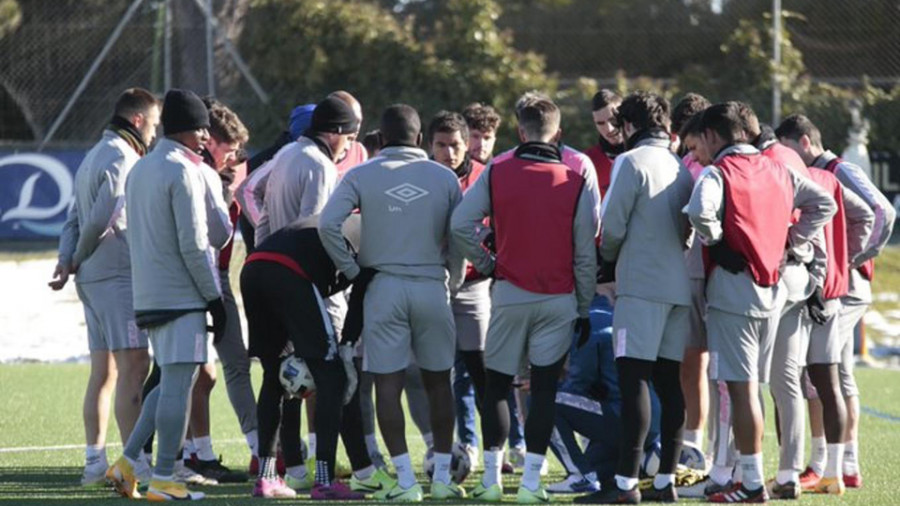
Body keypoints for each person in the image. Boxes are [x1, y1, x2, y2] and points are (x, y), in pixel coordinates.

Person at [686, 103, 835, 503]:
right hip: (772, 291)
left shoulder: (718, 172)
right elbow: (825, 204)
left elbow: (699, 211)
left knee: (739, 389)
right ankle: (753, 476)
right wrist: (788, 242)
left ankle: (750, 483)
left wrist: (716, 240)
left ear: (714, 137)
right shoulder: (779, 169)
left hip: (733, 291)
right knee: (756, 387)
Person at [452, 97, 597, 503]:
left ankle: (491, 482)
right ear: (559, 133)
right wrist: (584, 307)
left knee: (497, 385)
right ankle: (531, 485)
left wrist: (488, 261)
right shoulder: (575, 178)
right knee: (544, 389)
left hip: (511, 293)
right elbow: (586, 252)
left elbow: (461, 223)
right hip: (560, 297)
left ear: (519, 131)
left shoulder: (497, 170)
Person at [320, 104, 467, 501]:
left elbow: (327, 224)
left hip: (382, 287)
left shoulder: (360, 173)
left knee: (387, 383)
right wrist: (453, 278)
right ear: (420, 139)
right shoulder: (444, 177)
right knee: (439, 383)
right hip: (431, 285)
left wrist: (352, 271)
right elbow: (459, 236)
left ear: (381, 140)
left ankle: (404, 483)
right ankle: (440, 479)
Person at [576, 91, 693, 504]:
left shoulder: (629, 161)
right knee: (668, 382)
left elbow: (612, 230)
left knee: (634, 382)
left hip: (640, 287)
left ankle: (626, 484)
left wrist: (605, 260)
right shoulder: (681, 165)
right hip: (678, 286)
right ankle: (665, 481)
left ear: (628, 126)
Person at [106, 89, 222, 501]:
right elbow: (195, 244)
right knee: (178, 386)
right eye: (201, 128)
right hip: (181, 295)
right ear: (185, 130)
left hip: (149, 293)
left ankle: (126, 462)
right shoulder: (184, 171)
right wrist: (214, 298)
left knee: (168, 383)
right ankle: (164, 478)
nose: (207, 135)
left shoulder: (141, 168)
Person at [776, 114, 895, 491]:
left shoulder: (836, 170)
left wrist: (852, 257)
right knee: (838, 374)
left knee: (819, 372)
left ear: (805, 143)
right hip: (841, 282)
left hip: (843, 285)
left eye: (789, 149)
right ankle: (844, 465)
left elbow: (881, 212)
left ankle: (823, 463)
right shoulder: (821, 172)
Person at [51, 87, 159, 487]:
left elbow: (73, 215)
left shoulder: (94, 154)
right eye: (154, 124)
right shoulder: (122, 156)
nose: (154, 132)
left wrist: (67, 259)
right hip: (115, 275)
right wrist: (75, 255)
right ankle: (134, 466)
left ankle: (94, 463)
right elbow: (102, 214)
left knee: (104, 371)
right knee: (134, 365)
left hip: (92, 277)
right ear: (137, 120)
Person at [241, 214, 368, 500]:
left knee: (274, 376)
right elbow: (360, 290)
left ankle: (266, 477)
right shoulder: (374, 232)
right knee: (332, 377)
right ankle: (324, 480)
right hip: (288, 271)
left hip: (253, 268)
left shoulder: (345, 220)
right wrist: (346, 344)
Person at [180, 99, 254, 483]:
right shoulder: (193, 174)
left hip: (218, 278)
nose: (235, 158)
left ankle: (258, 450)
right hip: (190, 280)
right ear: (208, 143)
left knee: (231, 364)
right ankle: (184, 455)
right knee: (190, 373)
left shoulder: (228, 172)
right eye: (229, 150)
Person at [546, 293, 663, 494]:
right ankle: (645, 457)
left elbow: (580, 383)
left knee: (542, 400)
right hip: (650, 420)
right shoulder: (617, 315)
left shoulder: (586, 322)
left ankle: (579, 476)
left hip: (623, 417)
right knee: (596, 468)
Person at [428, 110, 489, 468]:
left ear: (467, 145)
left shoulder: (485, 177)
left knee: (482, 372)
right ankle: (445, 449)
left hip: (475, 287)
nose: (448, 153)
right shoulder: (422, 177)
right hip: (432, 285)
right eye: (441, 145)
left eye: (455, 145)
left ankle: (494, 460)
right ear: (429, 146)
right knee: (435, 373)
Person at [669, 93, 712, 472]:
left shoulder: (713, 165)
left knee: (710, 367)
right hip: (684, 272)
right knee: (689, 362)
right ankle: (691, 444)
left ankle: (711, 447)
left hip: (708, 272)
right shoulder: (681, 162)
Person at [237, 104, 316, 253]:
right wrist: (272, 234)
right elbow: (246, 193)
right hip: (268, 247)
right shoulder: (271, 161)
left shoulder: (316, 159)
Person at [584, 89, 625, 198]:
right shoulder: (587, 161)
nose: (609, 128)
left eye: (612, 120)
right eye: (600, 123)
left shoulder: (645, 153)